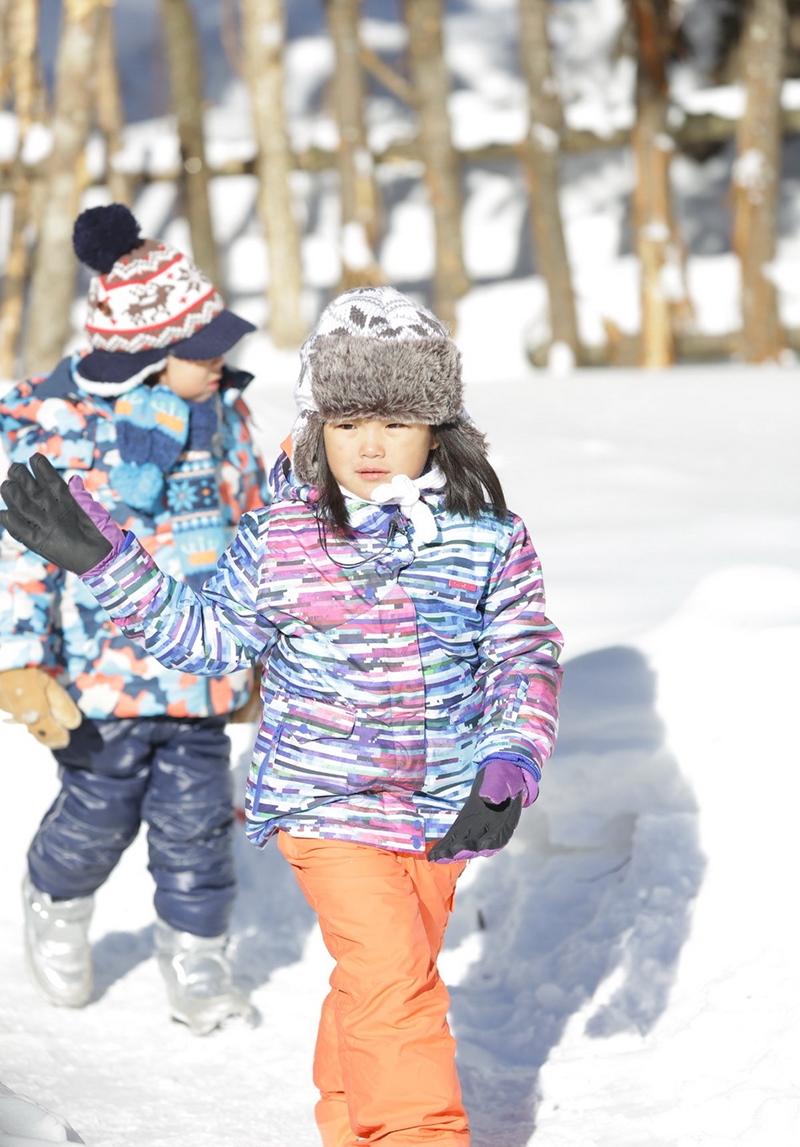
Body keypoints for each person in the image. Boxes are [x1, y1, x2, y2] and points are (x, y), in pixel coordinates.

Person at [0, 286, 563, 1144]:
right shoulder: (284, 534)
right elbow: (206, 637)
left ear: (439, 423)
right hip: (325, 803)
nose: (369, 445)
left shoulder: (489, 535)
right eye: (346, 423)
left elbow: (521, 655)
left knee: (380, 978)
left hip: (446, 809)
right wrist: (108, 560)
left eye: (394, 419)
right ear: (315, 428)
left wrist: (508, 762)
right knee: (394, 982)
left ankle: (348, 1125)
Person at [0, 203, 269, 1035]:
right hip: (97, 682)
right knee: (98, 814)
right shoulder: (67, 434)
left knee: (196, 826)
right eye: (205, 353)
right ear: (151, 358)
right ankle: (56, 896)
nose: (222, 365)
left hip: (196, 677)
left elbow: (257, 527)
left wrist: (263, 648)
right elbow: (23, 556)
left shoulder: (222, 421)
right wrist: (19, 658)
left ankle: (197, 954)